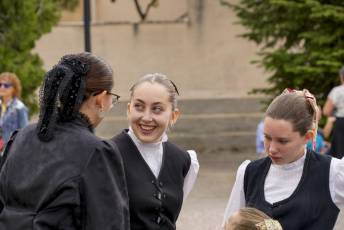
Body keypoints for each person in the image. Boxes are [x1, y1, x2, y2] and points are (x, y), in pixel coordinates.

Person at [0, 52, 129, 229]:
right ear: (100, 98)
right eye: (112, 98)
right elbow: (109, 224)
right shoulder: (97, 152)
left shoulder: (20, 137)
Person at [223, 88, 344, 230]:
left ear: (308, 137)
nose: (272, 148)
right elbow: (229, 226)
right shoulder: (249, 173)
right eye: (267, 137)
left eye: (283, 141)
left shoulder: (332, 172)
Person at [111, 73, 199, 230]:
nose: (146, 117)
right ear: (129, 109)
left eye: (157, 109)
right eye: (139, 106)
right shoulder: (108, 155)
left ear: (173, 116)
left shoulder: (184, 160)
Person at [0, 72, 28, 149]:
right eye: (0, 85)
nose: (2, 87)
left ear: (14, 89)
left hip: (10, 152)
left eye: (6, 85)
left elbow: (24, 133)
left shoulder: (19, 107)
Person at [323, 66, 344, 158]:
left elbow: (326, 111)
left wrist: (334, 115)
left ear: (341, 76)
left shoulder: (337, 91)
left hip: (341, 123)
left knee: (339, 154)